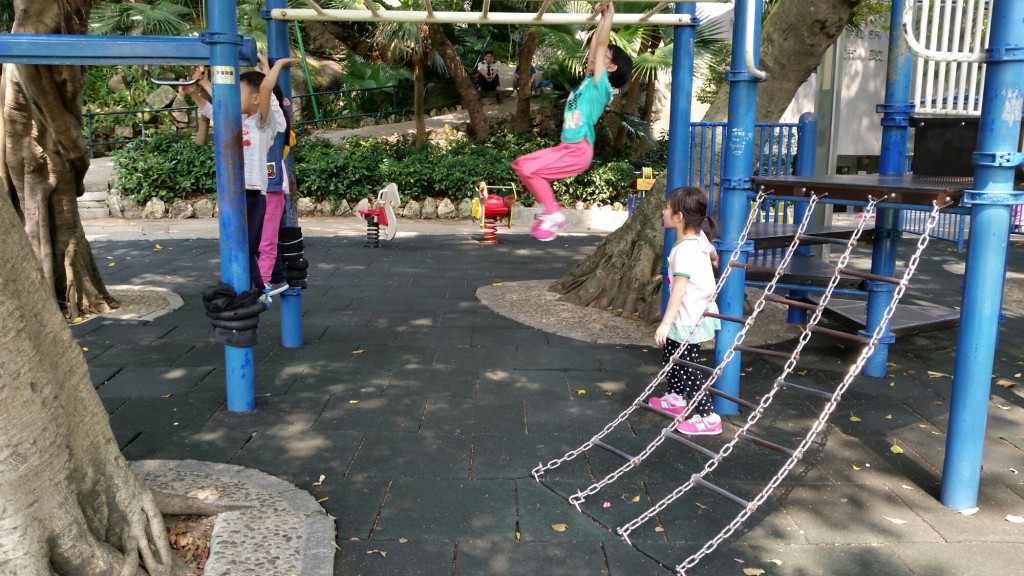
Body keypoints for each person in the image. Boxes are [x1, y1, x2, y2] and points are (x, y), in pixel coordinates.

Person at [511, 2, 632, 241]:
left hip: (578, 150)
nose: (595, 55)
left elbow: (601, 43)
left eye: (603, 56)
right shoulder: (590, 79)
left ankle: (553, 213)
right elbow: (596, 44)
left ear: (611, 66)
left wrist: (610, 16)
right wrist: (602, 17)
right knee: (522, 165)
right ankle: (551, 211)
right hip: (567, 148)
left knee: (529, 169)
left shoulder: (601, 86)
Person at [182, 57, 298, 298]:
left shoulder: (264, 123)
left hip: (254, 191)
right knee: (241, 244)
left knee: (251, 245)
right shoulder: (238, 120)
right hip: (234, 191)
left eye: (239, 93)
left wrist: (276, 66)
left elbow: (266, 89)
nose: (233, 99)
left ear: (256, 99)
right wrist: (197, 89)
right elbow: (214, 109)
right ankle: (262, 285)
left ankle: (262, 286)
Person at [648, 186, 723, 436]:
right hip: (693, 312)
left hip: (687, 317)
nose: (664, 211)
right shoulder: (699, 237)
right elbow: (713, 254)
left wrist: (665, 324)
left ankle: (709, 418)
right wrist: (713, 261)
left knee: (687, 367)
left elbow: (678, 291)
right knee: (672, 357)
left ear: (679, 217)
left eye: (667, 208)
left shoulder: (684, 250)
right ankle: (676, 399)